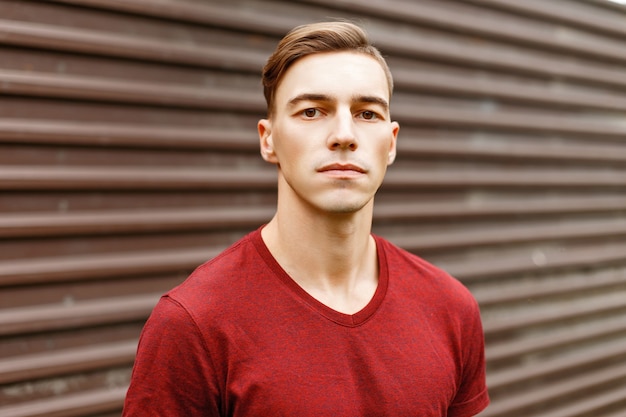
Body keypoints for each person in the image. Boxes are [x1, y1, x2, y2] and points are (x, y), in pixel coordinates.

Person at [122, 21, 489, 417]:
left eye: (367, 113)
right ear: (268, 139)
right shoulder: (194, 324)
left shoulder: (450, 307)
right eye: (312, 111)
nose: (344, 135)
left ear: (392, 143)